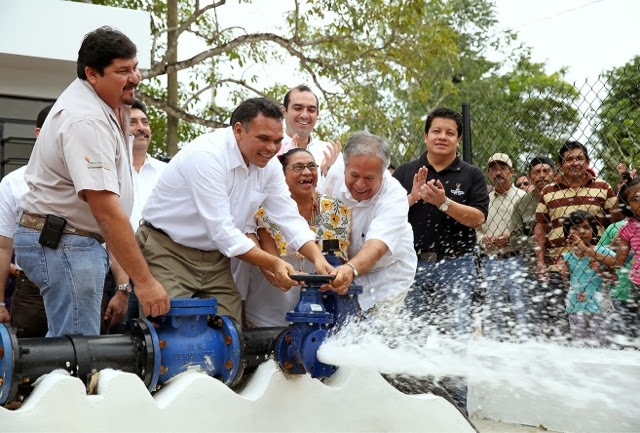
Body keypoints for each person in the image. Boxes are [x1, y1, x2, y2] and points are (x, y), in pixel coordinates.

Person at [14, 26, 170, 337]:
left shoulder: (106, 105)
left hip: (71, 241)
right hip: (64, 242)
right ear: (92, 73)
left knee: (71, 347)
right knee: (77, 351)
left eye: (135, 67)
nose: (135, 77)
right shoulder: (86, 119)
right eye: (122, 70)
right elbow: (105, 210)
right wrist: (146, 283)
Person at [137, 97, 335, 324]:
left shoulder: (268, 164)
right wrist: (273, 263)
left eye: (278, 141)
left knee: (229, 332)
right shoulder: (207, 156)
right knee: (173, 335)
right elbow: (222, 232)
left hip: (216, 258)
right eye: (263, 139)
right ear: (239, 130)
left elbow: (288, 216)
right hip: (168, 251)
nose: (271, 148)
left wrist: (318, 259)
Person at [393, 107, 488, 414]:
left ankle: (457, 413)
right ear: (426, 135)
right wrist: (412, 197)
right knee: (409, 337)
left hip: (456, 266)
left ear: (458, 139)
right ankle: (407, 410)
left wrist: (444, 202)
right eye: (436, 131)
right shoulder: (406, 172)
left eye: (449, 132)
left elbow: (478, 218)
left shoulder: (471, 174)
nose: (442, 137)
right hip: (411, 266)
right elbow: (386, 216)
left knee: (454, 339)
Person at [244, 148, 351, 327]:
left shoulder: (334, 209)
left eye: (311, 166)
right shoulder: (265, 210)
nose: (307, 172)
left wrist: (334, 277)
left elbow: (335, 258)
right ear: (281, 175)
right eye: (298, 167)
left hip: (316, 313)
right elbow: (271, 266)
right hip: (268, 312)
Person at [323, 131, 417, 314]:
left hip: (388, 275)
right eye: (354, 175)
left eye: (369, 178)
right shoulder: (333, 175)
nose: (360, 184)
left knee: (379, 330)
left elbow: (377, 246)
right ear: (344, 168)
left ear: (383, 175)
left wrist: (350, 269)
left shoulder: (394, 196)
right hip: (345, 270)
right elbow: (326, 220)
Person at [535, 140, 620, 340]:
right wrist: (540, 261)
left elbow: (617, 223)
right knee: (563, 327)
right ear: (560, 164)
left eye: (580, 158)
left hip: (594, 268)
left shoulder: (603, 187)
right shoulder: (548, 191)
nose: (575, 163)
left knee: (599, 325)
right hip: (560, 267)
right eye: (569, 159)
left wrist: (606, 253)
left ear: (588, 161)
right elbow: (540, 226)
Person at [101, 99, 168, 330]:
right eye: (134, 122)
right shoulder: (107, 171)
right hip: (113, 269)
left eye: (145, 122)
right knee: (120, 339)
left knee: (156, 338)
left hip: (159, 267)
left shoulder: (168, 172)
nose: (141, 127)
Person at [0, 104, 52, 337]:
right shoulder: (13, 183)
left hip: (84, 286)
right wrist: (0, 303)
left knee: (84, 361)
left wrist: (121, 288)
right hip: (30, 289)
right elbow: (3, 247)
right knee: (28, 363)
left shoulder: (88, 178)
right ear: (39, 134)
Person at [476, 153, 528, 339]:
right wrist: (483, 240)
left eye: (502, 168)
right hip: (489, 260)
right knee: (493, 311)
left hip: (517, 259)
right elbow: (476, 228)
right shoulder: (484, 199)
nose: (498, 172)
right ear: (488, 173)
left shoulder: (523, 197)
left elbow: (531, 231)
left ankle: (525, 346)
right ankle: (495, 349)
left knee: (520, 308)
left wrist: (510, 238)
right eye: (493, 169)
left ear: (511, 172)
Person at [509, 156, 556, 335]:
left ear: (554, 173)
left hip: (565, 267)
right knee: (539, 322)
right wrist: (541, 240)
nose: (541, 175)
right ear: (530, 176)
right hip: (533, 270)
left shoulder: (563, 196)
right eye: (536, 172)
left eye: (546, 171)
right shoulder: (522, 203)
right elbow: (514, 238)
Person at [560, 211, 615, 346]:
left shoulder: (601, 252)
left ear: (594, 231)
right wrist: (564, 275)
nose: (582, 232)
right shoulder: (567, 257)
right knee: (579, 345)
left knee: (600, 344)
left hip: (600, 308)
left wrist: (600, 270)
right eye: (575, 228)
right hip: (575, 306)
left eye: (586, 227)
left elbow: (614, 278)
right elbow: (567, 287)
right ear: (568, 233)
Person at [279, 85, 342, 186]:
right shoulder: (270, 150)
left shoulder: (329, 153)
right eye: (298, 108)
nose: (304, 115)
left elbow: (341, 196)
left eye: (311, 110)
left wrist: (326, 174)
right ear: (283, 111)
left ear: (317, 114)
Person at [610, 177, 640, 342]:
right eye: (635, 199)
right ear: (627, 206)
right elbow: (619, 260)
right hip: (637, 282)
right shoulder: (628, 228)